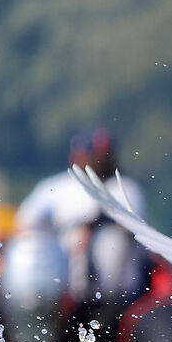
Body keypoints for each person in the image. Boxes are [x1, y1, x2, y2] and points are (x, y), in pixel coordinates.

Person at [16, 128, 149, 323]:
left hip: (118, 297)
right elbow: (24, 224)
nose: (101, 160)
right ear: (77, 155)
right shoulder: (56, 188)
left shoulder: (125, 187)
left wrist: (92, 226)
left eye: (105, 155)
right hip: (68, 293)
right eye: (95, 155)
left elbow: (133, 228)